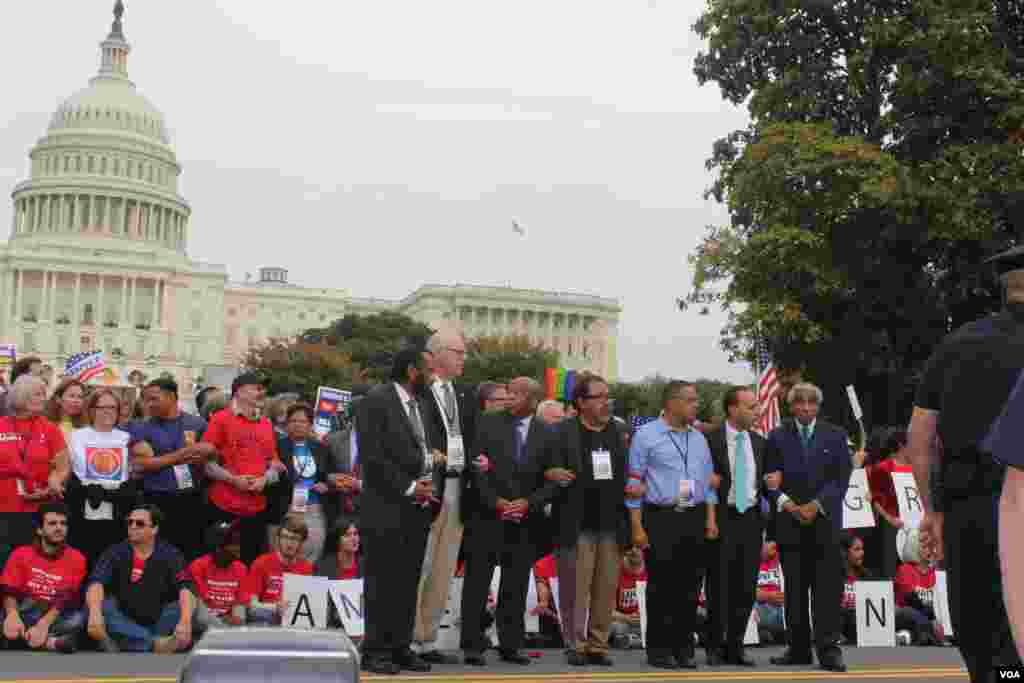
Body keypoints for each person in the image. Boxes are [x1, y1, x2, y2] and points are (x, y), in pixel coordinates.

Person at [911, 244, 1024, 681]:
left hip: (969, 504)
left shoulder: (955, 345)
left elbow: (920, 438)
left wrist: (932, 509)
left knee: (979, 619)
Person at [460, 376, 555, 666]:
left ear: (533, 400)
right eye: (508, 392)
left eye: (516, 393)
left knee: (514, 583)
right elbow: (476, 468)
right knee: (478, 581)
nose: (508, 397)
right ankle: (473, 644)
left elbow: (552, 479)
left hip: (525, 519)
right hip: (487, 515)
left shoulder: (546, 433)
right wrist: (497, 502)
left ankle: (511, 643)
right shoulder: (487, 422)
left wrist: (529, 503)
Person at [355, 347, 439, 675]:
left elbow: (423, 451)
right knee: (382, 583)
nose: (433, 375)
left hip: (417, 509)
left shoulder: (423, 405)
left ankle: (399, 646)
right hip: (385, 507)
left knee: (407, 581)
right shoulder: (376, 401)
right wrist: (408, 486)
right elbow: (374, 458)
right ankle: (375, 650)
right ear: (411, 371)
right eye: (428, 369)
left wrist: (427, 481)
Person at [627, 380, 718, 670]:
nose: (696, 405)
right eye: (690, 400)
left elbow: (708, 483)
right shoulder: (646, 436)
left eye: (696, 400)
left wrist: (711, 520)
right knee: (662, 586)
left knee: (690, 586)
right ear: (672, 403)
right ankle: (659, 649)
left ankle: (684, 648)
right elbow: (634, 484)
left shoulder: (699, 438)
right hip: (661, 516)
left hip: (694, 514)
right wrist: (637, 527)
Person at [764, 382, 852, 672]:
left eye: (810, 403)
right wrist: (790, 505)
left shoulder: (836, 435)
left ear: (818, 406)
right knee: (796, 590)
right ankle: (798, 648)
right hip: (790, 522)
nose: (805, 407)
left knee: (827, 589)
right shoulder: (776, 436)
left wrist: (816, 505)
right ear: (791, 407)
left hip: (825, 523)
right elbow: (769, 480)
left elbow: (841, 479)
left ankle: (829, 650)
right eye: (799, 403)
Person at [544, 373, 630, 667]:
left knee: (606, 590)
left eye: (608, 397)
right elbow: (542, 467)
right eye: (600, 397)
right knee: (575, 589)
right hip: (576, 521)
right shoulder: (561, 431)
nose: (607, 402)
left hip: (611, 522)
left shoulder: (617, 432)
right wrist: (550, 473)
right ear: (581, 402)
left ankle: (598, 645)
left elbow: (623, 472)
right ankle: (575, 645)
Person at [413, 330, 479, 664]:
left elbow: (472, 437)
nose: (463, 358)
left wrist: (478, 460)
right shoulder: (419, 393)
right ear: (436, 354)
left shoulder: (466, 395)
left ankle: (428, 638)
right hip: (429, 485)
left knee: (444, 565)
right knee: (421, 562)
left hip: (459, 485)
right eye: (458, 352)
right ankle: (406, 637)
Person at [704, 385, 766, 666]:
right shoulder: (710, 440)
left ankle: (736, 645)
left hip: (750, 518)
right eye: (750, 406)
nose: (756, 411)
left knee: (746, 586)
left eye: (756, 406)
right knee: (719, 585)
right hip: (722, 517)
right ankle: (714, 645)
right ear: (732, 409)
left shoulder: (759, 442)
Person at [84, 504, 195, 653]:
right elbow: (96, 583)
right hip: (123, 619)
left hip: (159, 621)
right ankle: (153, 643)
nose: (133, 526)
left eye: (140, 523)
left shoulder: (170, 554)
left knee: (188, 603)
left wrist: (185, 621)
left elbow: (185, 587)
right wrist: (95, 613)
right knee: (97, 605)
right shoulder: (115, 552)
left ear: (154, 529)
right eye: (130, 522)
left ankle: (131, 642)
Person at [198, 372, 283, 564]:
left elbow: (275, 465)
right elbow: (206, 463)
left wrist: (264, 479)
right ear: (239, 392)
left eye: (263, 389)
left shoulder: (266, 424)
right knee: (220, 564)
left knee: (251, 565)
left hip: (256, 511)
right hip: (224, 506)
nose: (262, 392)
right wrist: (233, 480)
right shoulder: (220, 419)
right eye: (257, 388)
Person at [128, 378, 209, 562]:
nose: (149, 404)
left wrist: (204, 454)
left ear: (172, 397)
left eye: (154, 399)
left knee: (188, 553)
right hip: (155, 499)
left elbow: (209, 455)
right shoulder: (141, 426)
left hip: (191, 499)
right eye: (147, 400)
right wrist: (181, 455)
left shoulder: (197, 424)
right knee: (156, 555)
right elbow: (141, 463)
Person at [1, 503, 86, 653]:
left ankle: (22, 639)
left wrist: (44, 624)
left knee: (78, 618)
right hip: (23, 610)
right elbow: (9, 589)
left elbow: (65, 598)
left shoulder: (77, 558)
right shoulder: (21, 553)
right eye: (52, 523)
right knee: (21, 610)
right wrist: (12, 615)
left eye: (63, 523)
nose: (59, 528)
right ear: (40, 529)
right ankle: (49, 643)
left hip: (53, 614)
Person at [0, 376, 71, 555]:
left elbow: (62, 467)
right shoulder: (1, 425)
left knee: (31, 559)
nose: (43, 399)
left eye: (43, 394)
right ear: (21, 396)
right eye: (38, 394)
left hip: (37, 509)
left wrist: (52, 484)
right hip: (3, 508)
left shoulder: (49, 429)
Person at [66, 390, 136, 567]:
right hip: (84, 504)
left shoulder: (126, 438)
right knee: (85, 557)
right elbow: (71, 468)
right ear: (91, 410)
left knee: (112, 559)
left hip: (117, 507)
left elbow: (132, 470)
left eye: (112, 407)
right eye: (102, 407)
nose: (107, 411)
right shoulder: (76, 436)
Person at [270, 403, 332, 562]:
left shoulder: (321, 448)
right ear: (286, 424)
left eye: (302, 421)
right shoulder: (277, 447)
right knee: (282, 556)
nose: (297, 425)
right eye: (293, 421)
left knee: (312, 553)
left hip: (314, 508)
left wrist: (326, 485)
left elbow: (329, 476)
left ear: (310, 425)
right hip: (286, 508)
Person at [244, 514, 314, 625]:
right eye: (285, 537)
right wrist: (275, 608)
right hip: (265, 623)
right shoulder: (261, 563)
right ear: (278, 539)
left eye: (295, 539)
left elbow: (310, 607)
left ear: (302, 542)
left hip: (295, 626)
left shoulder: (306, 568)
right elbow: (251, 607)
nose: (289, 543)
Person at [866, 427, 911, 579]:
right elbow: (875, 499)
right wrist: (890, 519)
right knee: (891, 568)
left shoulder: (916, 467)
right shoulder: (883, 468)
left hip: (913, 523)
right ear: (901, 446)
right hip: (891, 526)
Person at [188, 522, 246, 631]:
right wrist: (225, 628)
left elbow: (239, 611)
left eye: (238, 542)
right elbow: (201, 615)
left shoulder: (241, 568)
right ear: (218, 548)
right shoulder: (198, 566)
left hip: (227, 627)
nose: (239, 547)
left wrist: (238, 623)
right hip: (204, 628)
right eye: (233, 544)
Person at [609, 545, 646, 650]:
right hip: (620, 620)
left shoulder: (652, 569)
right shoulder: (615, 570)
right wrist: (627, 618)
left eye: (638, 547)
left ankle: (631, 641)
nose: (634, 550)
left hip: (643, 622)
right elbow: (608, 611)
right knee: (617, 627)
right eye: (630, 547)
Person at [839, 534, 872, 644]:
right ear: (845, 552)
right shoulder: (835, 574)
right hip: (840, 619)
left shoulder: (866, 575)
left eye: (862, 549)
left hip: (862, 620)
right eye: (857, 549)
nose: (862, 553)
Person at [755, 541, 786, 645]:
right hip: (759, 608)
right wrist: (768, 596)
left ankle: (767, 633)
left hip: (782, 609)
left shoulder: (786, 554)